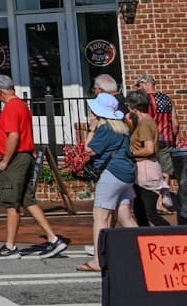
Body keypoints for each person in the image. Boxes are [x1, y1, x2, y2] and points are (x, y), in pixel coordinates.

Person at [0, 75, 70, 258]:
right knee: (27, 200)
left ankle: (10, 246)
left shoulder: (11, 108)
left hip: (16, 159)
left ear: (0, 91)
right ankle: (54, 239)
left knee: (11, 202)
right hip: (26, 155)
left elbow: (13, 136)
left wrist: (5, 160)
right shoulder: (22, 105)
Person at [78, 93, 136, 273]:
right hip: (127, 174)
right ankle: (143, 248)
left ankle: (97, 260)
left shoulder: (104, 130)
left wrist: (92, 129)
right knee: (125, 216)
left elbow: (89, 149)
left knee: (100, 216)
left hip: (112, 174)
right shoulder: (123, 128)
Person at [124, 90, 175, 225]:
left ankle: (171, 235)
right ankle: (144, 239)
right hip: (144, 169)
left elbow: (149, 149)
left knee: (149, 213)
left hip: (146, 170)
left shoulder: (145, 124)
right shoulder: (144, 122)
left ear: (134, 108)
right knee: (140, 211)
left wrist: (130, 153)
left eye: (128, 106)